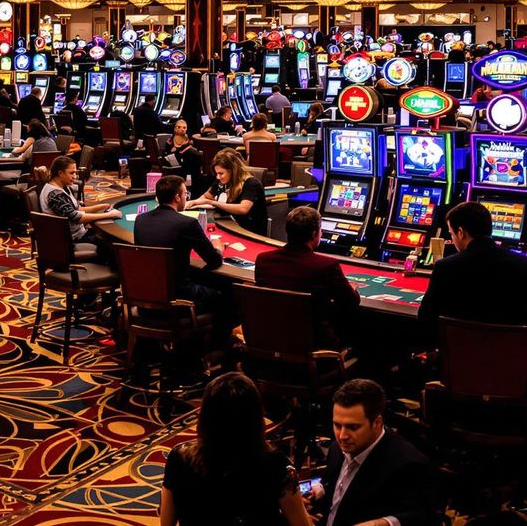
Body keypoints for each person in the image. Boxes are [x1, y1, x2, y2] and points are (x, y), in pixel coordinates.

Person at [161, 372, 310, 526]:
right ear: (256, 419)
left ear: (205, 417)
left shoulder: (178, 458)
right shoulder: (278, 466)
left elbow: (166, 523)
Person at [307, 379, 438, 526]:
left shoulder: (409, 464)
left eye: (353, 427)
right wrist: (320, 492)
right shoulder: (336, 448)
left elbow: (421, 516)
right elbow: (337, 487)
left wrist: (382, 523)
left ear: (377, 422)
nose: (342, 435)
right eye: (337, 425)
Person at [418, 201, 527, 340]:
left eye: (451, 234)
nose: (452, 238)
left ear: (461, 233)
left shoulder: (445, 266)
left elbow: (425, 319)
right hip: (512, 355)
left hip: (458, 355)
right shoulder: (523, 264)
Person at [255, 206, 359, 348]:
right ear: (314, 233)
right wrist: (351, 288)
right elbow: (351, 302)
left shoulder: (263, 260)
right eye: (320, 230)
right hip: (313, 347)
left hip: (268, 341)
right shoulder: (327, 265)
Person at [134, 175, 222, 304]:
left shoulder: (140, 219)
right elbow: (213, 261)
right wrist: (219, 248)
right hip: (178, 296)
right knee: (227, 294)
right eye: (185, 194)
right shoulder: (188, 223)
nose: (186, 198)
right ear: (177, 197)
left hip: (145, 293)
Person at [39, 155, 118, 259]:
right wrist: (108, 215)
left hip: (79, 233)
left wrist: (102, 206)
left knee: (108, 235)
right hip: (72, 240)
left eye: (75, 172)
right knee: (113, 245)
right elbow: (77, 217)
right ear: (60, 173)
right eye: (72, 173)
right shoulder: (55, 195)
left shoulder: (63, 187)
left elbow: (78, 209)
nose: (75, 176)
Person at [187, 149, 267, 235]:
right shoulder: (222, 181)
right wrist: (193, 202)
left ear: (232, 171)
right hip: (227, 226)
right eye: (217, 173)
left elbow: (243, 209)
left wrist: (212, 202)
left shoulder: (251, 183)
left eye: (221, 173)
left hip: (249, 232)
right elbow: (206, 196)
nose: (218, 177)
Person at [163, 119, 203, 188]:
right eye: (179, 127)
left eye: (184, 128)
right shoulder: (169, 141)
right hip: (175, 165)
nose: (182, 129)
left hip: (188, 165)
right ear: (175, 128)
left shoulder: (190, 140)